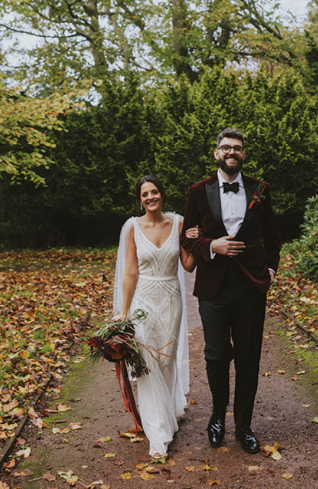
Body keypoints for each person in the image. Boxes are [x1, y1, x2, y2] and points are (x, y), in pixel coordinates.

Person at [180, 128, 281, 455]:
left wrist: (270, 269)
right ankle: (216, 418)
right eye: (226, 147)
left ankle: (244, 426)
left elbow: (273, 235)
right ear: (216, 153)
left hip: (251, 286)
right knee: (216, 355)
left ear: (244, 154)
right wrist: (212, 245)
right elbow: (186, 237)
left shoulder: (260, 189)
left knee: (249, 357)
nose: (231, 152)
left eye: (237, 148)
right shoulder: (198, 191)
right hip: (213, 288)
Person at [111, 175, 198, 459]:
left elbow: (187, 265)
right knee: (147, 363)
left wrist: (194, 242)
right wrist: (123, 314)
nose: (150, 197)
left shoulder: (179, 223)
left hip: (171, 300)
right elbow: (130, 272)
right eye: (145, 194)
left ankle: (169, 412)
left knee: (166, 360)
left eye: (154, 192)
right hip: (142, 302)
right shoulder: (132, 227)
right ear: (140, 199)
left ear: (162, 194)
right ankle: (158, 434)